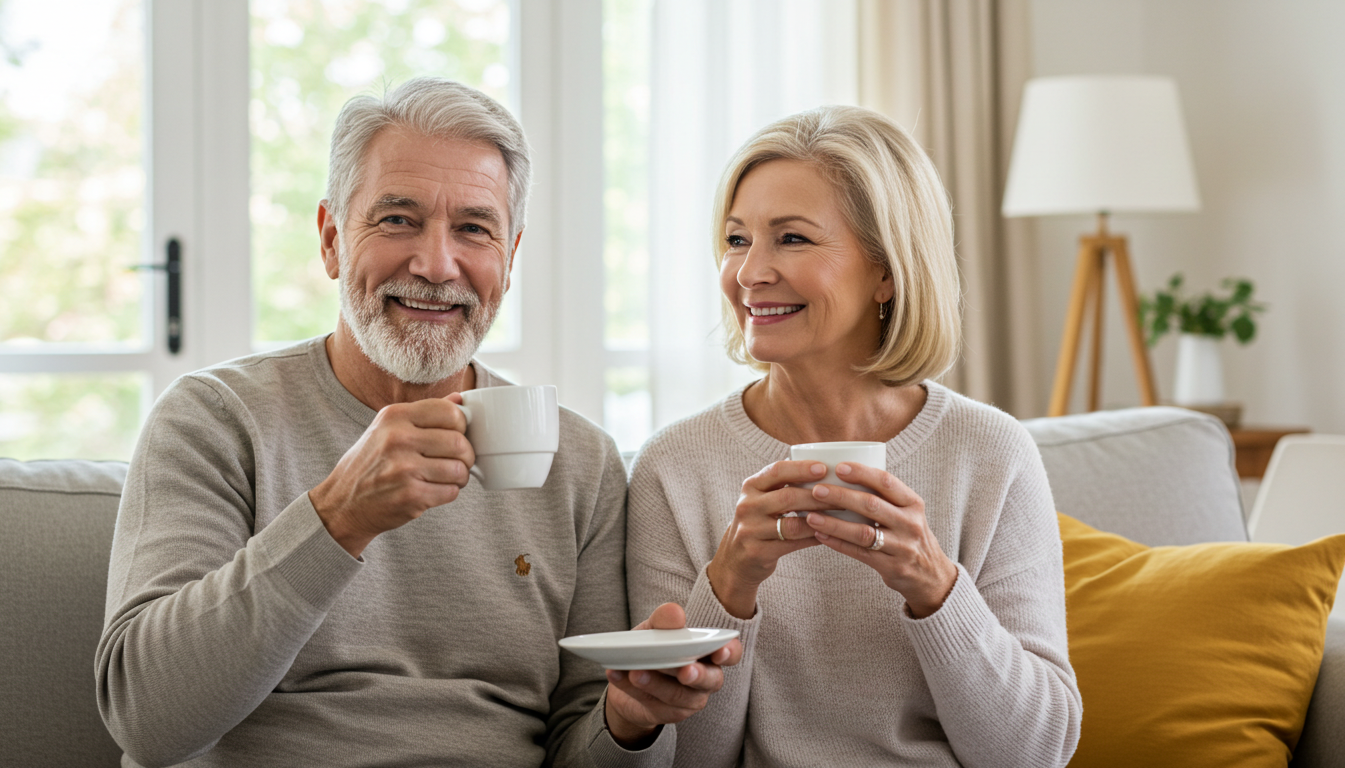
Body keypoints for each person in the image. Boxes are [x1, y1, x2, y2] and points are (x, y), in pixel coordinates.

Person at [96, 77, 738, 768]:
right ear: (332, 239)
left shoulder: (580, 462)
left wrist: (630, 722)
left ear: (511, 259)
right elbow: (145, 719)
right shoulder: (215, 420)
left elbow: (585, 746)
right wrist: (337, 517)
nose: (436, 264)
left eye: (473, 229)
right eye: (397, 220)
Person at [624, 105, 1082, 767]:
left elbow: (1035, 754)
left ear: (887, 270)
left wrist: (935, 587)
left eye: (793, 239)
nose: (750, 272)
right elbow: (686, 758)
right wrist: (728, 587)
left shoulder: (989, 453)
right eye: (736, 239)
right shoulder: (674, 467)